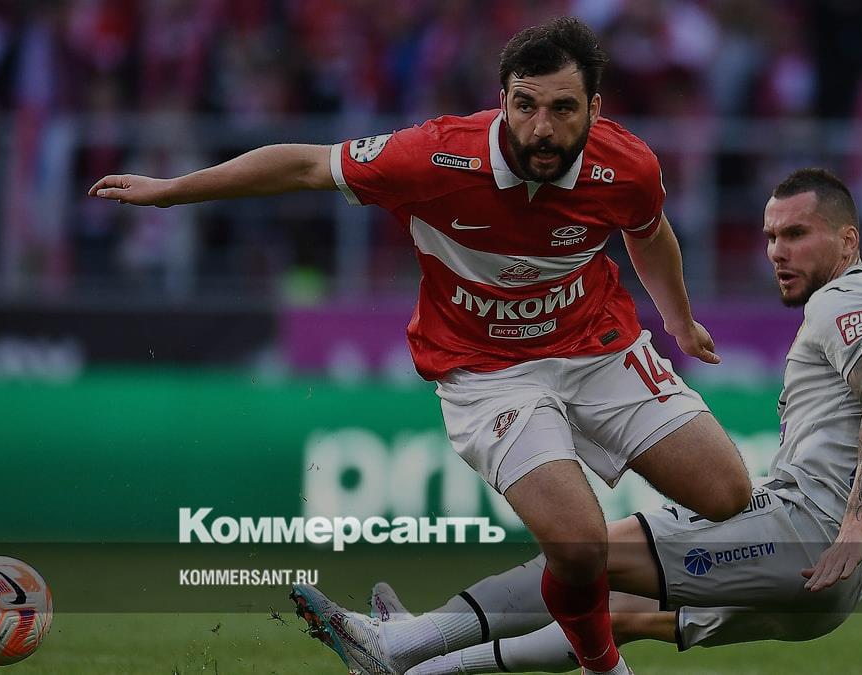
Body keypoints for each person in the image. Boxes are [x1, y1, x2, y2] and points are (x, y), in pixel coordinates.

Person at [89, 17, 752, 675]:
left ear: (595, 110)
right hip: (487, 372)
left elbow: (648, 231)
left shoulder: (628, 165)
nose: (541, 128)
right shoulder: (435, 156)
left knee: (726, 495)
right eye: (525, 106)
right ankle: (602, 667)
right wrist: (174, 191)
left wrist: (679, 319)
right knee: (578, 548)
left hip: (600, 348)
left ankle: (410, 640)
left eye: (562, 109)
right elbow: (306, 164)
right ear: (502, 99)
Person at [308, 168, 862, 675]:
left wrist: (848, 530)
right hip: (834, 595)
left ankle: (400, 644)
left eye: (797, 234)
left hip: (802, 538)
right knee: (620, 612)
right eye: (770, 236)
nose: (777, 252)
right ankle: (424, 664)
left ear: (848, 242)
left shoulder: (840, 303)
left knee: (582, 552)